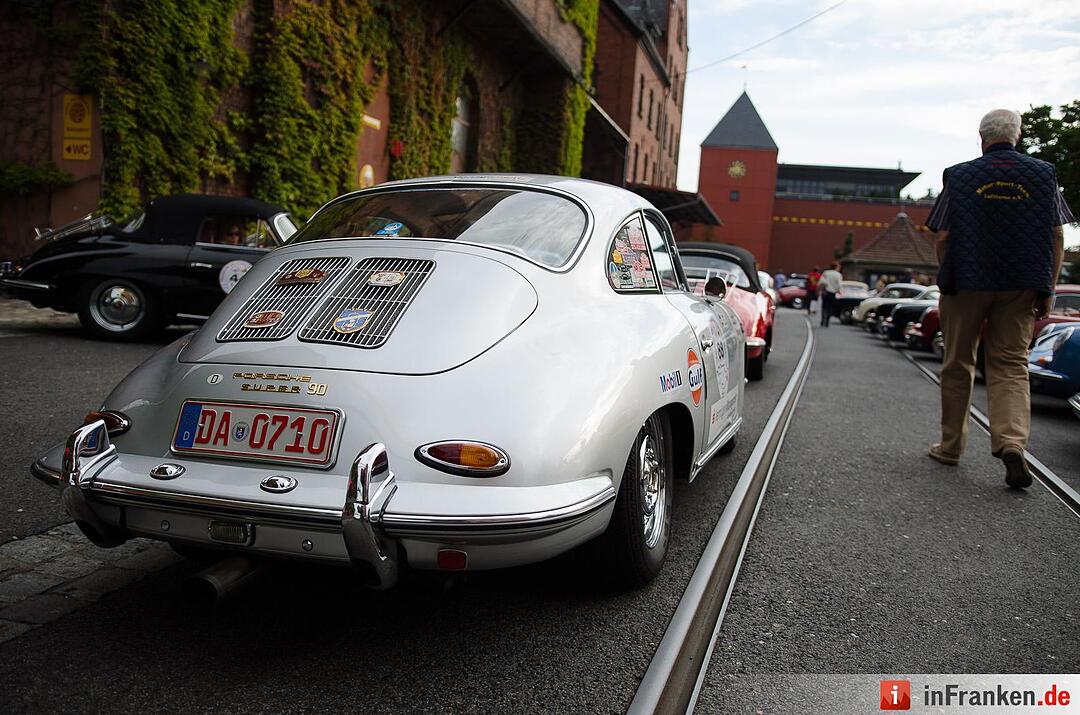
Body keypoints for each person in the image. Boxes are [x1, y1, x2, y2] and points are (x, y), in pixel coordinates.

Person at [926, 108, 1074, 488]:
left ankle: (951, 446)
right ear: (1017, 136)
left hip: (966, 283)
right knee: (1010, 364)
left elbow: (942, 235)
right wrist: (1048, 287)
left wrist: (949, 273)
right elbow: (1057, 235)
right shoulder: (1044, 175)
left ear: (981, 138)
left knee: (958, 362)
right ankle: (1011, 443)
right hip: (1020, 284)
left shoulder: (959, 175)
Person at [818, 262, 843, 327]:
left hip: (825, 292)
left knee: (824, 306)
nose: (839, 268)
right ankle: (827, 321)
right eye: (838, 267)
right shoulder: (838, 275)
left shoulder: (826, 273)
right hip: (832, 293)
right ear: (836, 267)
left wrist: (820, 289)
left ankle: (823, 319)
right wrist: (839, 291)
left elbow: (821, 282)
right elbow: (839, 285)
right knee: (830, 307)